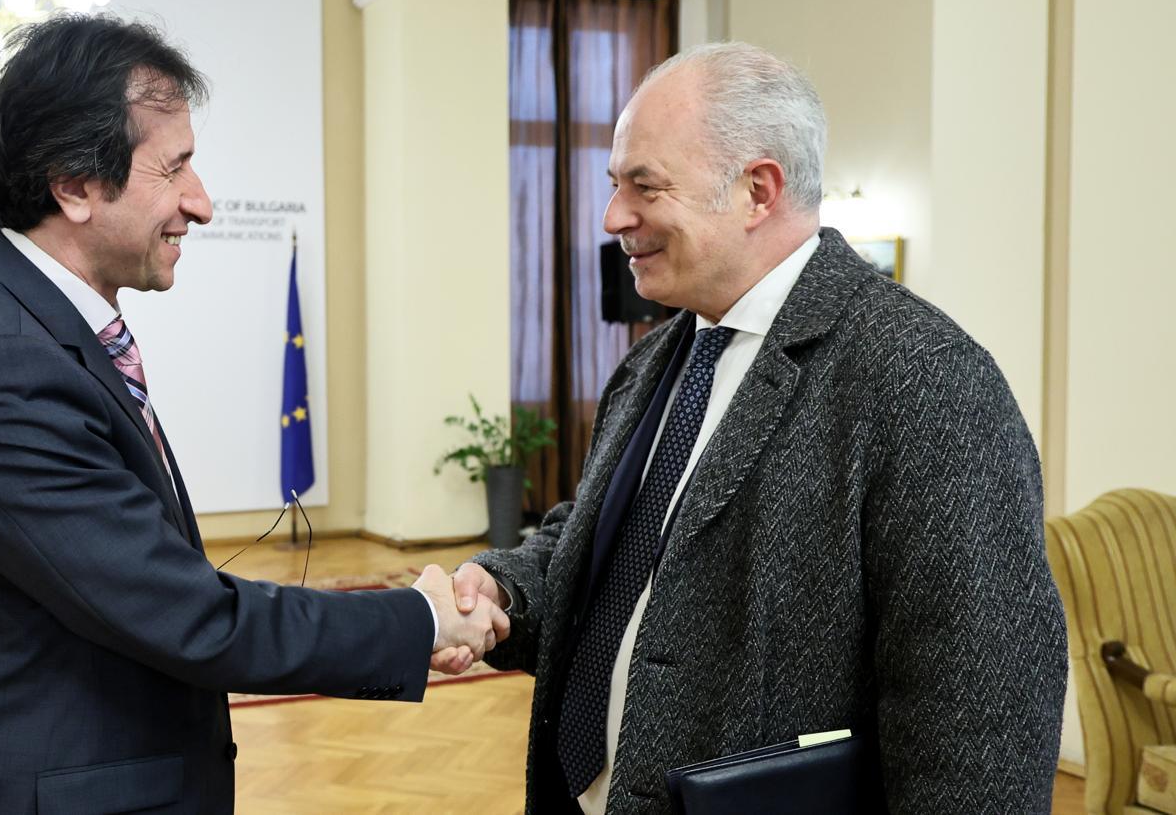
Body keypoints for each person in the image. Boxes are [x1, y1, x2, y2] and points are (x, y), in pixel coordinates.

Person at [0, 14, 505, 814]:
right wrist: (421, 620)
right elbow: (186, 615)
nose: (201, 203)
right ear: (73, 185)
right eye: (173, 168)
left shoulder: (31, 328)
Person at [447, 42, 1068, 813]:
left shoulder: (925, 377)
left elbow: (981, 722)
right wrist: (503, 589)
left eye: (645, 186)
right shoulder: (653, 362)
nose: (613, 217)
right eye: (614, 185)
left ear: (758, 190)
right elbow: (609, 555)